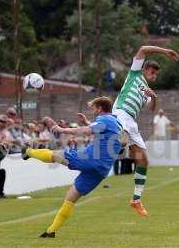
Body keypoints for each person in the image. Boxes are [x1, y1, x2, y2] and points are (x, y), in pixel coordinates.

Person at [21, 97, 122, 238]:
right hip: (102, 168)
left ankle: (28, 152)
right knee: (71, 197)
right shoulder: (115, 122)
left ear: (100, 108)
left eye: (94, 107)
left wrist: (61, 129)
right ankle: (51, 231)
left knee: (57, 155)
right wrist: (87, 122)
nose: (93, 110)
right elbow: (107, 133)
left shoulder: (104, 120)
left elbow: (85, 131)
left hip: (91, 158)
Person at [113, 45, 179, 216]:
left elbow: (151, 108)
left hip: (131, 123)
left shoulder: (146, 90)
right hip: (121, 113)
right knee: (120, 139)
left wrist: (153, 97)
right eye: (152, 72)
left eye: (156, 74)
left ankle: (136, 200)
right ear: (144, 69)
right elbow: (143, 48)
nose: (154, 76)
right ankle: (111, 142)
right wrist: (166, 51)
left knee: (143, 161)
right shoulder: (134, 73)